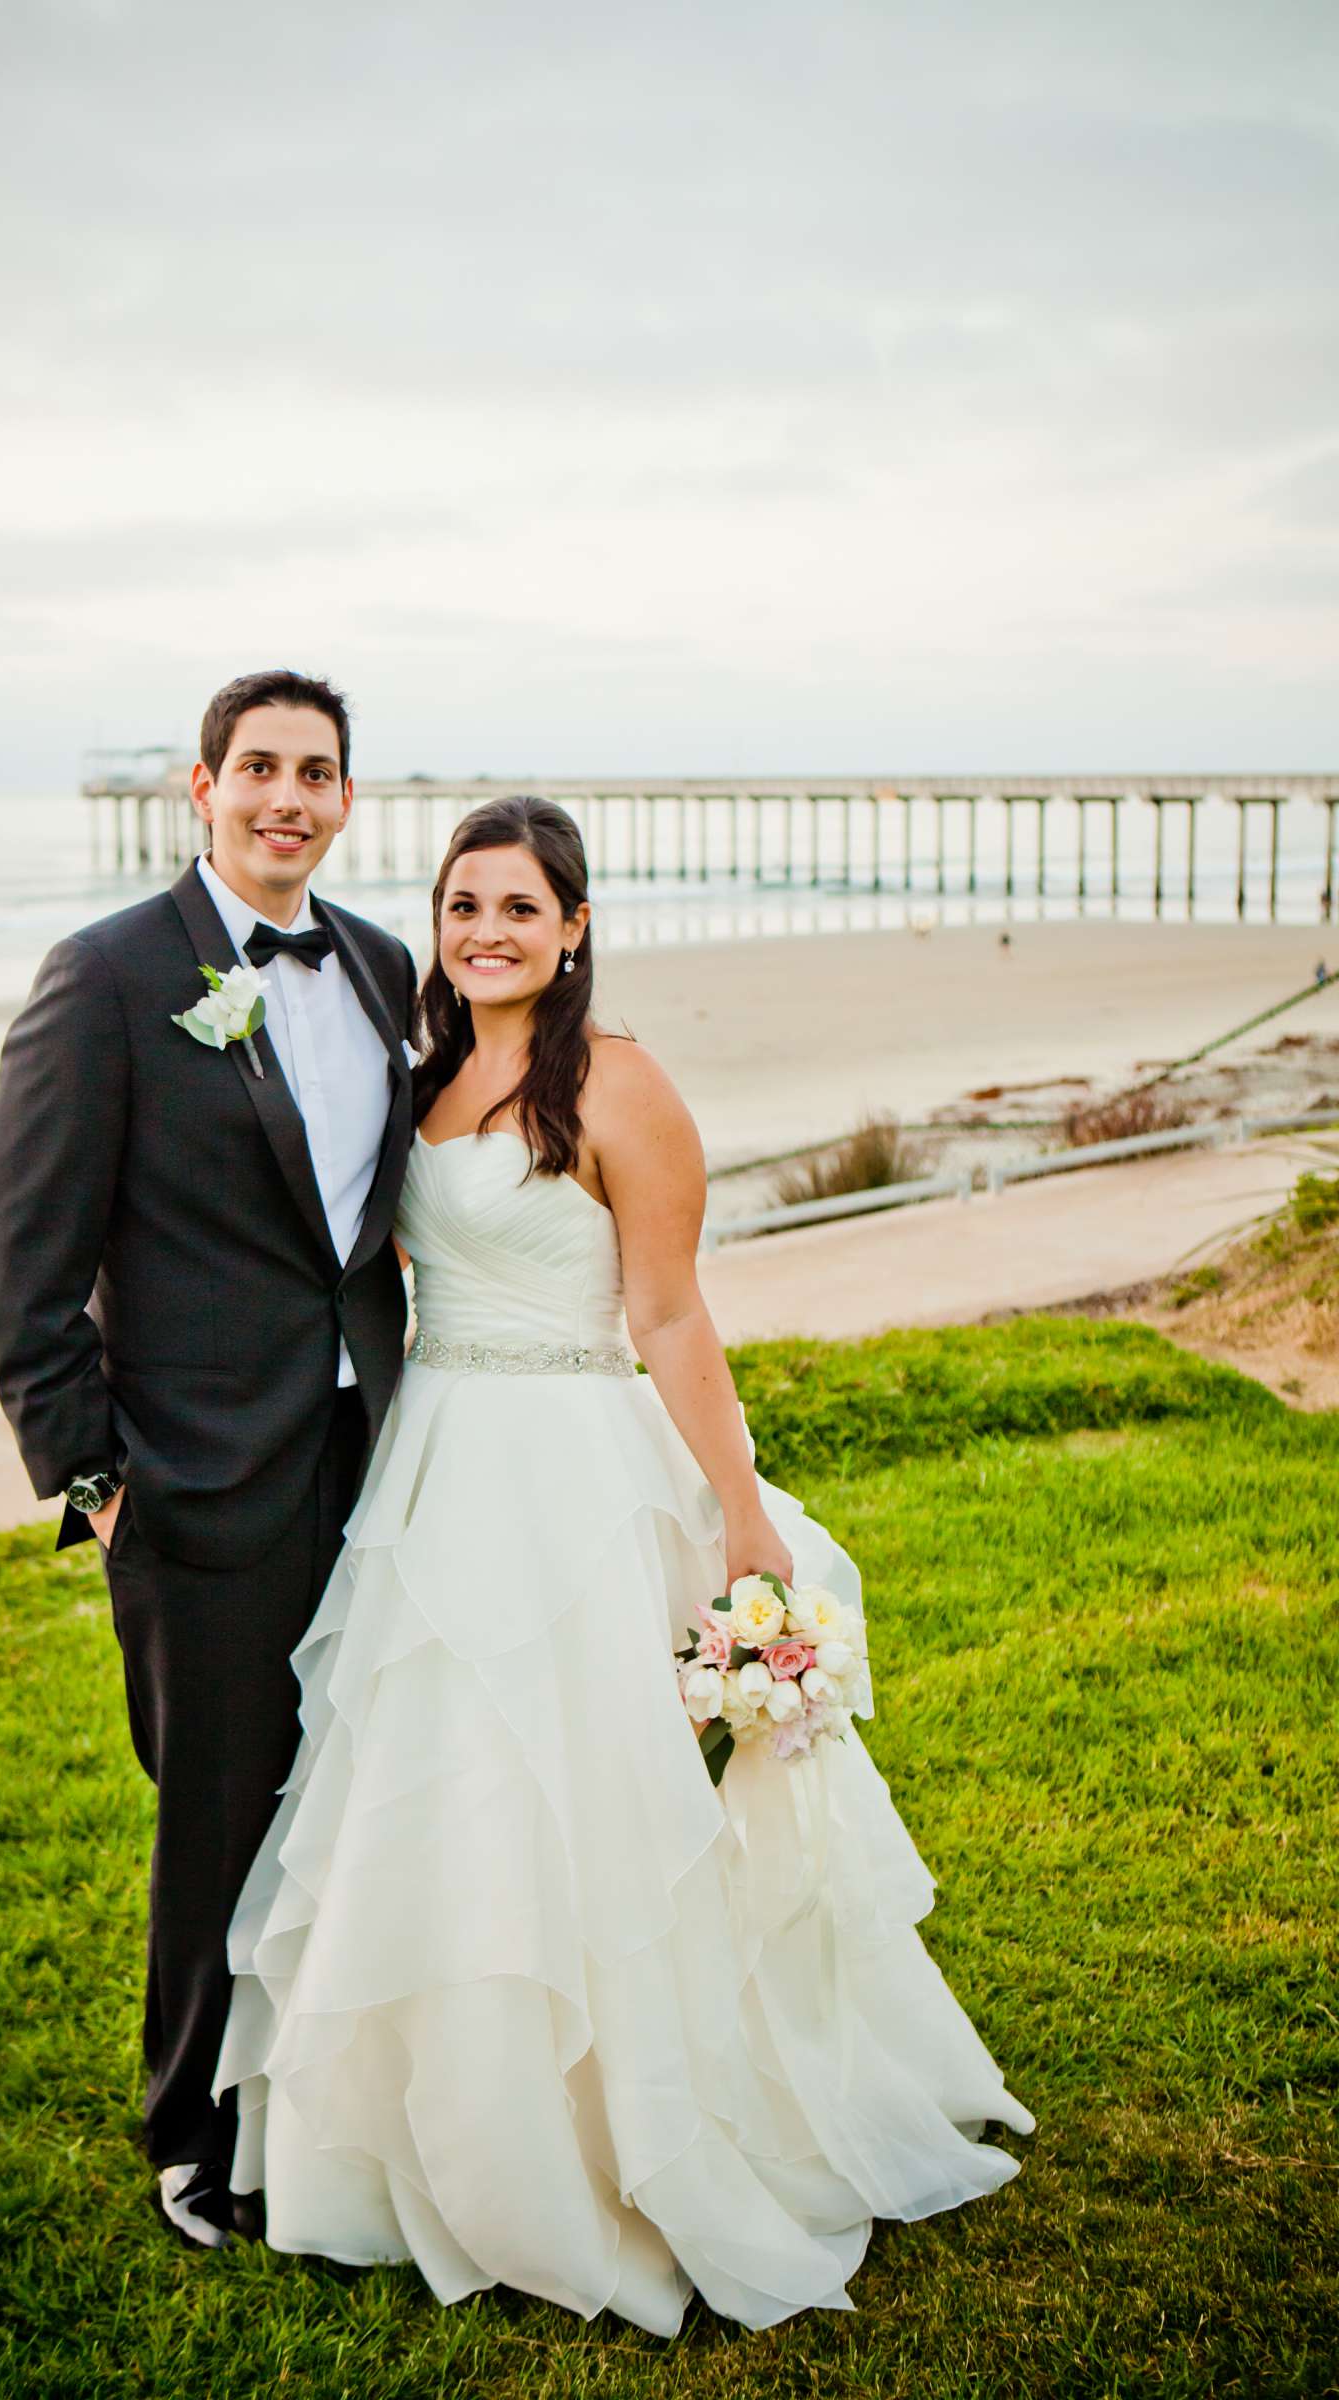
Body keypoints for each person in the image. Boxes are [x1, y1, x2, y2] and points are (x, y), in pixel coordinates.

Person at [213, 795, 1034, 2334]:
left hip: (572, 1471)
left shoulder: (622, 1086)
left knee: (586, 1797)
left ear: (575, 926)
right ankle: (420, 2141)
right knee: (432, 1783)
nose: (487, 933)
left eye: (521, 908)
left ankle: (614, 2141)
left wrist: (740, 1510)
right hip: (434, 1467)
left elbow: (667, 1315)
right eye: (464, 907)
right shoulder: (430, 1070)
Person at [0, 670, 417, 2249]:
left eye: (317, 773)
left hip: (378, 1452)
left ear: (349, 800)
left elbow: (370, 1222)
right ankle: (192, 2134)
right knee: (219, 1802)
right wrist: (91, 1478)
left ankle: (331, 2089)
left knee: (357, 1784)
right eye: (260, 770)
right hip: (193, 1475)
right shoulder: (103, 978)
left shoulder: (380, 966)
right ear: (202, 786)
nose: (287, 796)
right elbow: (26, 1258)